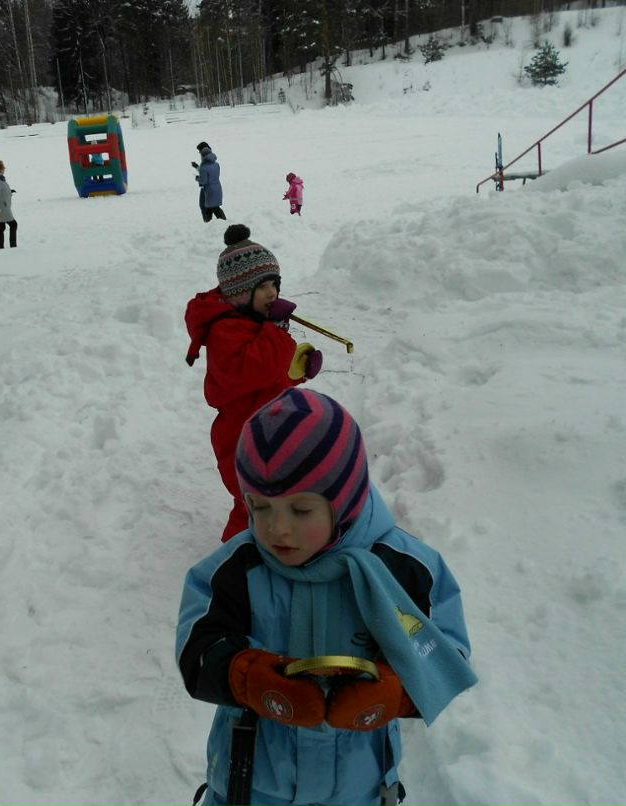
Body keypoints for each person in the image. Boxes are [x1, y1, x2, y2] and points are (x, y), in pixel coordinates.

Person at [176, 388, 478, 806]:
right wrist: (246, 676)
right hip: (252, 784)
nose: (277, 528)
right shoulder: (237, 569)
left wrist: (395, 691)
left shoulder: (403, 569)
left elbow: (446, 656)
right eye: (259, 507)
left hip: (360, 787)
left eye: (301, 510)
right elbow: (197, 647)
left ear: (345, 500)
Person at [185, 224, 322, 541]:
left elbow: (269, 380)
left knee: (272, 499)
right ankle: (238, 554)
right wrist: (277, 331)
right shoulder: (225, 331)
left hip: (267, 428)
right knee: (255, 503)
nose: (273, 293)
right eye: (262, 287)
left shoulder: (252, 323)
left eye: (275, 284)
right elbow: (253, 371)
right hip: (241, 437)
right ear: (239, 292)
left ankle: (275, 544)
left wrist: (298, 370)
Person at [192, 141, 226, 223]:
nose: (199, 153)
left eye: (199, 151)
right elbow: (210, 174)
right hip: (216, 188)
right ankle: (210, 224)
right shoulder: (216, 164)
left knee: (209, 207)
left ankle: (209, 223)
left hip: (208, 189)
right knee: (212, 207)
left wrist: (197, 178)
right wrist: (197, 167)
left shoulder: (204, 166)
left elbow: (204, 180)